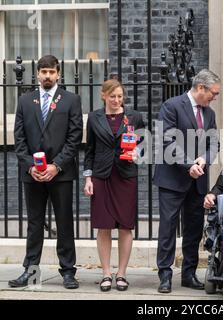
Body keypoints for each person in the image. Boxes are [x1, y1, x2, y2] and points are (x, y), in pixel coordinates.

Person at [10, 55, 83, 289]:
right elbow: (18, 139)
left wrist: (56, 165)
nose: (48, 76)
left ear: (59, 73)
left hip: (60, 173)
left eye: (52, 72)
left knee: (64, 223)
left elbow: (75, 137)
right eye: (43, 72)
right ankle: (31, 272)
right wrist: (31, 166)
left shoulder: (71, 100)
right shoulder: (24, 100)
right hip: (32, 174)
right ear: (38, 74)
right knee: (34, 223)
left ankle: (68, 272)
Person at [153, 69, 220, 293]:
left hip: (198, 181)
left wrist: (204, 159)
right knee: (168, 228)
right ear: (201, 88)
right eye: (213, 93)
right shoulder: (172, 106)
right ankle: (165, 274)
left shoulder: (209, 114)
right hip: (172, 179)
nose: (215, 97)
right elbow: (167, 141)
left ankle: (189, 274)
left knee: (193, 229)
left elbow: (214, 144)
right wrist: (188, 164)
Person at [83, 79, 145, 292]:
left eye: (120, 96)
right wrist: (88, 178)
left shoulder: (135, 117)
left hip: (126, 175)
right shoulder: (93, 117)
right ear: (103, 96)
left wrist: (139, 153)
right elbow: (89, 150)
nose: (117, 100)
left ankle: (122, 274)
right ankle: (106, 273)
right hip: (101, 176)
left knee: (126, 225)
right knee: (103, 225)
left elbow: (145, 147)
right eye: (113, 96)